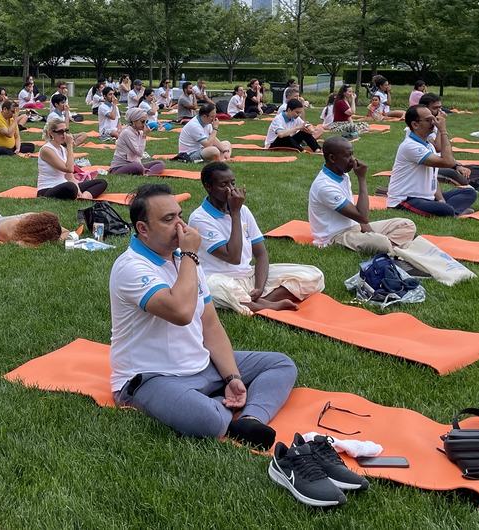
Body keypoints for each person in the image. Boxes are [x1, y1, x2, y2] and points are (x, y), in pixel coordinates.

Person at [110, 182, 296, 449]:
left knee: (280, 364)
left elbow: (209, 323)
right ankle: (219, 414)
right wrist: (189, 254)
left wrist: (232, 378)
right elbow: (182, 312)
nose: (180, 226)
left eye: (180, 215)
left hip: (200, 364)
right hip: (151, 376)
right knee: (206, 420)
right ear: (143, 229)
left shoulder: (184, 260)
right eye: (168, 219)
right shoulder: (131, 267)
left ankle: (251, 418)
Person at [189, 163, 323, 315]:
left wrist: (259, 287)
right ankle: (266, 305)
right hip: (218, 278)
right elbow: (233, 257)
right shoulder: (200, 218)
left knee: (314, 275)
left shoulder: (242, 210)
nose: (231, 189)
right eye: (223, 185)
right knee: (215, 289)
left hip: (248, 276)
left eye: (233, 183)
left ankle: (257, 301)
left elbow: (261, 254)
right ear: (208, 186)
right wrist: (235, 214)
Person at [309, 137, 417, 253]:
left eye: (352, 154)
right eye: (347, 156)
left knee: (407, 225)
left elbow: (361, 220)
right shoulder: (324, 186)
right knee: (382, 242)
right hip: (335, 236)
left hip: (355, 227)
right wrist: (361, 178)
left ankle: (391, 248)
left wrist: (369, 231)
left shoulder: (342, 174)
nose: (353, 160)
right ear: (332, 158)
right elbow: (362, 216)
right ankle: (394, 248)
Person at [387, 105, 477, 217]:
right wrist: (443, 130)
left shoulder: (428, 145)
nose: (433, 123)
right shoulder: (410, 146)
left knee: (469, 192)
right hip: (405, 200)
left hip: (427, 198)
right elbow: (448, 162)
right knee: (445, 210)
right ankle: (453, 211)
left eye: (433, 118)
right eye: (429, 120)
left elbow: (433, 179)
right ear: (415, 124)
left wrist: (441, 200)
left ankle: (451, 210)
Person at [37, 116, 108, 200]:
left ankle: (84, 198)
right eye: (60, 132)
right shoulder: (46, 150)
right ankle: (78, 195)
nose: (64, 135)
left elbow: (70, 176)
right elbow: (69, 169)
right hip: (48, 189)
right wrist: (69, 145)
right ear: (51, 133)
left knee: (101, 182)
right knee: (70, 186)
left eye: (66, 131)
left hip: (64, 184)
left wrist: (79, 192)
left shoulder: (62, 149)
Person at [111, 108, 164, 175]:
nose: (145, 125)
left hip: (133, 164)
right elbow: (139, 153)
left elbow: (137, 157)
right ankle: (144, 172)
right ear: (133, 121)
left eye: (146, 122)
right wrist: (144, 136)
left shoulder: (139, 132)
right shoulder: (127, 132)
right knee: (137, 166)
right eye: (142, 122)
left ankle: (148, 174)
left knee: (160, 163)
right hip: (119, 167)